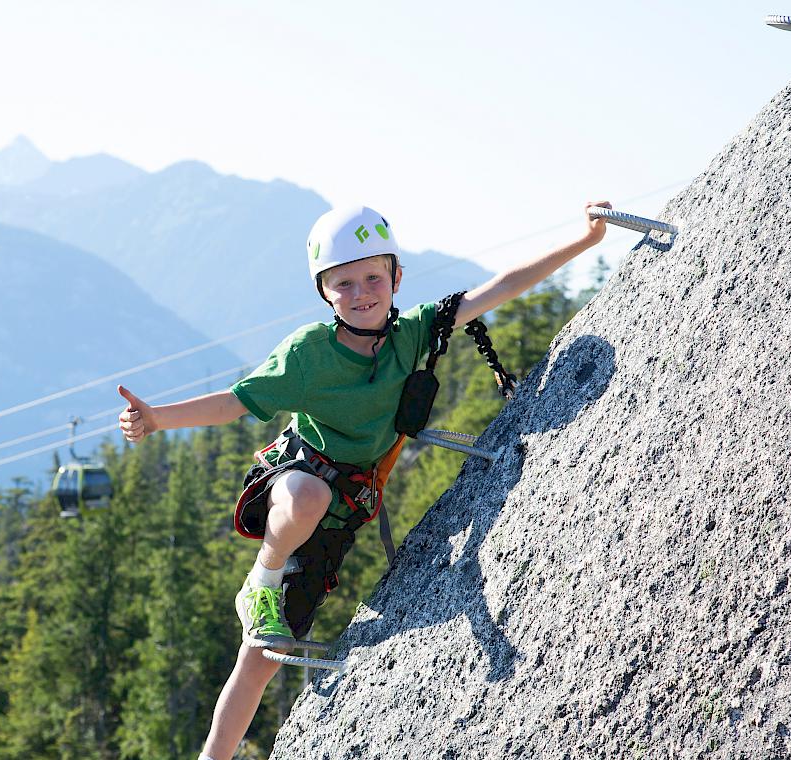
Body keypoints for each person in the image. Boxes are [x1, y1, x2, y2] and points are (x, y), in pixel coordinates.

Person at [117, 202, 610, 760]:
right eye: (343, 283)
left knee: (261, 657)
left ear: (397, 277)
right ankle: (261, 581)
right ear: (325, 293)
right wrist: (158, 418)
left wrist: (585, 240)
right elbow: (235, 402)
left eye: (373, 277)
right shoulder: (309, 354)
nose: (361, 293)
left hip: (342, 514)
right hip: (295, 480)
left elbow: (499, 288)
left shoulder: (416, 333)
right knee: (308, 495)